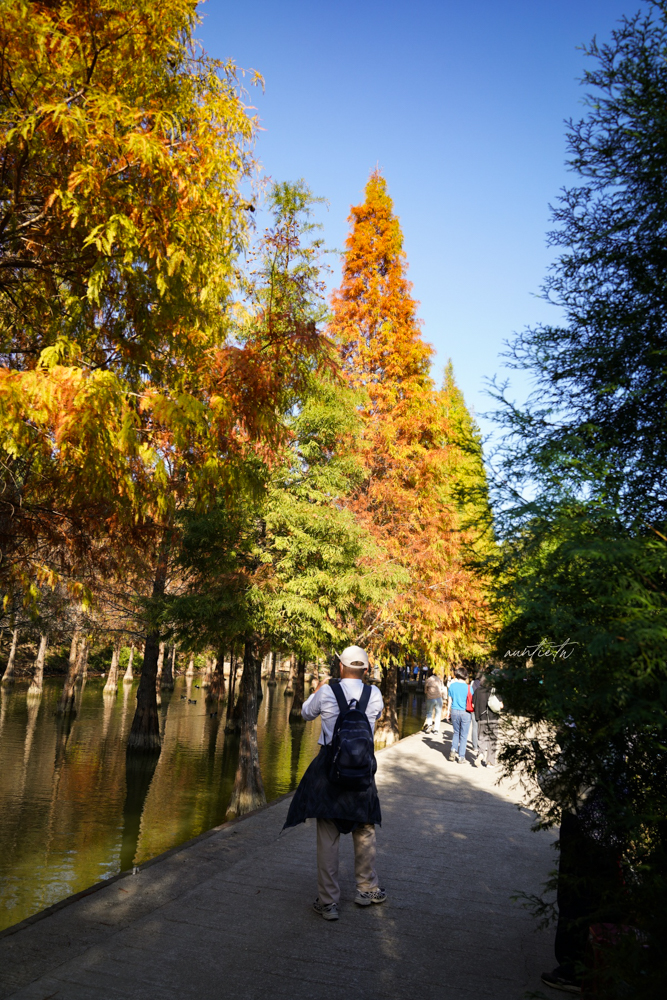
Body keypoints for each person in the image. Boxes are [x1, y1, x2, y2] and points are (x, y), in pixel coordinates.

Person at [283, 645, 386, 921]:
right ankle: (367, 889)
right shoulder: (374, 694)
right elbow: (375, 720)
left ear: (340, 667)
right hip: (362, 771)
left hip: (329, 770)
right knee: (364, 828)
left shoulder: (328, 691)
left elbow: (304, 714)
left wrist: (318, 689)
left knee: (328, 832)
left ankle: (328, 902)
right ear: (365, 670)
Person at [472, 673, 500, 767]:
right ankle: (490, 762)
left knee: (482, 738)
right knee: (492, 740)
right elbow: (501, 705)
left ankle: (480, 754)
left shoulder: (477, 691)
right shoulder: (495, 691)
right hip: (493, 718)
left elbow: (473, 705)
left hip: (481, 718)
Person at [446, 666, 473, 763]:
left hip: (454, 711)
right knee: (464, 735)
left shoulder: (452, 686)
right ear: (465, 676)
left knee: (456, 732)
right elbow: (471, 701)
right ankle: (461, 757)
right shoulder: (468, 687)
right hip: (465, 712)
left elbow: (449, 700)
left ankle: (453, 750)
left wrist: (448, 712)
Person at [423, 669, 445, 734]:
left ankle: (429, 726)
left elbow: (425, 691)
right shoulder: (439, 680)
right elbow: (442, 689)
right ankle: (436, 729)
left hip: (430, 698)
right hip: (439, 698)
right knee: (438, 714)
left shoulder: (428, 680)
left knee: (429, 712)